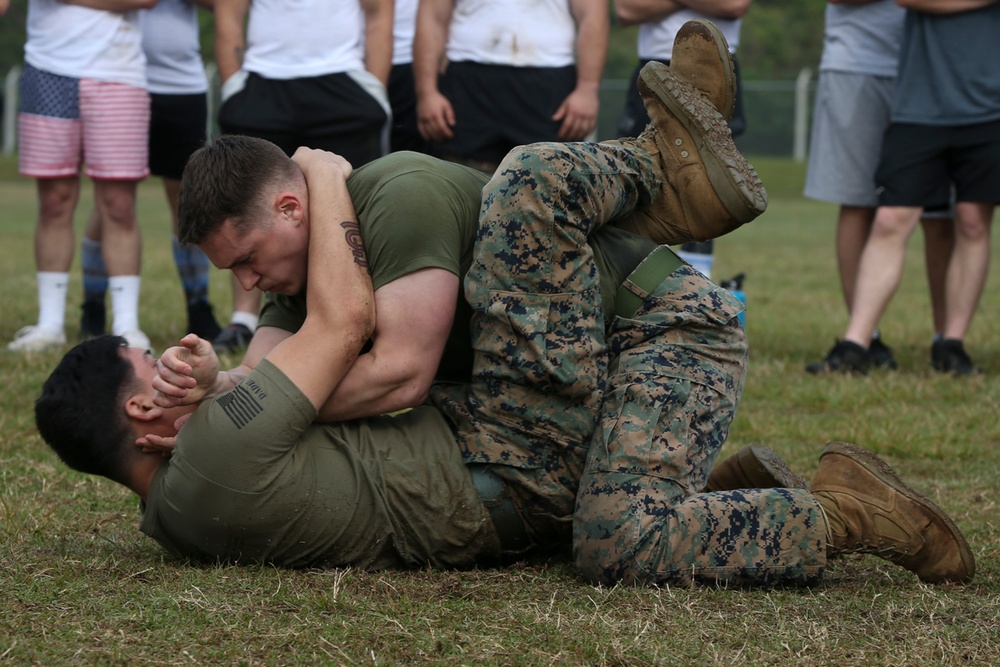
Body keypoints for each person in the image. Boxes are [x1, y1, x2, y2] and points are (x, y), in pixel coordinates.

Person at [37, 112, 974, 586]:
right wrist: (322, 180)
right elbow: (349, 350)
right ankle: (814, 510)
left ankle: (666, 174)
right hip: (539, 419)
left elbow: (363, 363)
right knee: (620, 539)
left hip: (659, 326)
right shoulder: (238, 414)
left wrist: (236, 381)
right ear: (144, 415)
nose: (247, 288)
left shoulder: (392, 195)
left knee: (527, 182)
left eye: (247, 261)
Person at [810, 0, 1000, 375]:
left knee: (973, 221)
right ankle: (855, 344)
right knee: (891, 219)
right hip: (919, 104)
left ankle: (952, 345)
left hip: (989, 104)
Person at [210, 0, 394, 354]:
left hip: (344, 80)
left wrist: (374, 86)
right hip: (262, 82)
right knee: (243, 203)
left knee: (357, 204)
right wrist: (235, 87)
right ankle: (245, 319)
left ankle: (363, 318)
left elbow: (378, 13)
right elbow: (229, 14)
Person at [8, 0, 154, 353]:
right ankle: (50, 325)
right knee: (53, 201)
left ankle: (126, 326)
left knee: (119, 204)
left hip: (118, 74)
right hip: (46, 70)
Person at [78, 0, 224, 345]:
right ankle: (94, 305)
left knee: (188, 198)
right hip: (120, 74)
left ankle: (198, 305)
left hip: (182, 84)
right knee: (111, 199)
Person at [614, 0, 751, 281]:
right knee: (640, 174)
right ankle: (634, 281)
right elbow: (627, 10)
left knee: (704, 181)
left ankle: (696, 283)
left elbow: (734, 4)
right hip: (654, 62)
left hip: (714, 61)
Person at [413, 0, 608, 174]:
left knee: (550, 182)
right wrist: (427, 92)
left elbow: (592, 14)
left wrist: (587, 89)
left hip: (547, 83)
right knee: (459, 177)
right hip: (468, 82)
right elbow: (431, 17)